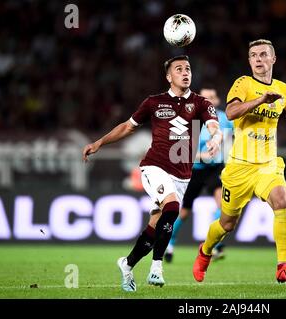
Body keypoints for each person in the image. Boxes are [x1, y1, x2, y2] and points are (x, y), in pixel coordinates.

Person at [192, 39, 286, 284]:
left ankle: (283, 266)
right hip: (239, 166)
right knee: (227, 223)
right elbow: (232, 113)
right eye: (253, 55)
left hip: (268, 164)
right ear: (249, 61)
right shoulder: (243, 84)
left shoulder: (284, 90)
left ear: (273, 59)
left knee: (281, 200)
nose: (258, 59)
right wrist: (260, 100)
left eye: (263, 54)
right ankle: (205, 250)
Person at [82, 55, 222, 291]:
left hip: (183, 174)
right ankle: (157, 266)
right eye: (179, 69)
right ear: (169, 77)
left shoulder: (200, 103)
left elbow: (213, 126)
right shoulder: (154, 102)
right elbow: (128, 127)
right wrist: (99, 143)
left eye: (188, 68)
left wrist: (216, 138)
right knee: (172, 206)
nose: (185, 72)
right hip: (154, 166)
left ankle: (127, 264)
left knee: (157, 225)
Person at [164, 88, 233, 263]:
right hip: (194, 170)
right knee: (184, 212)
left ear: (217, 100)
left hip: (216, 168)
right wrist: (200, 156)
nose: (209, 100)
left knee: (223, 206)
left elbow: (235, 138)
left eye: (212, 97)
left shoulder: (225, 119)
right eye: (205, 98)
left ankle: (212, 245)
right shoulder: (191, 120)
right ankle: (170, 243)